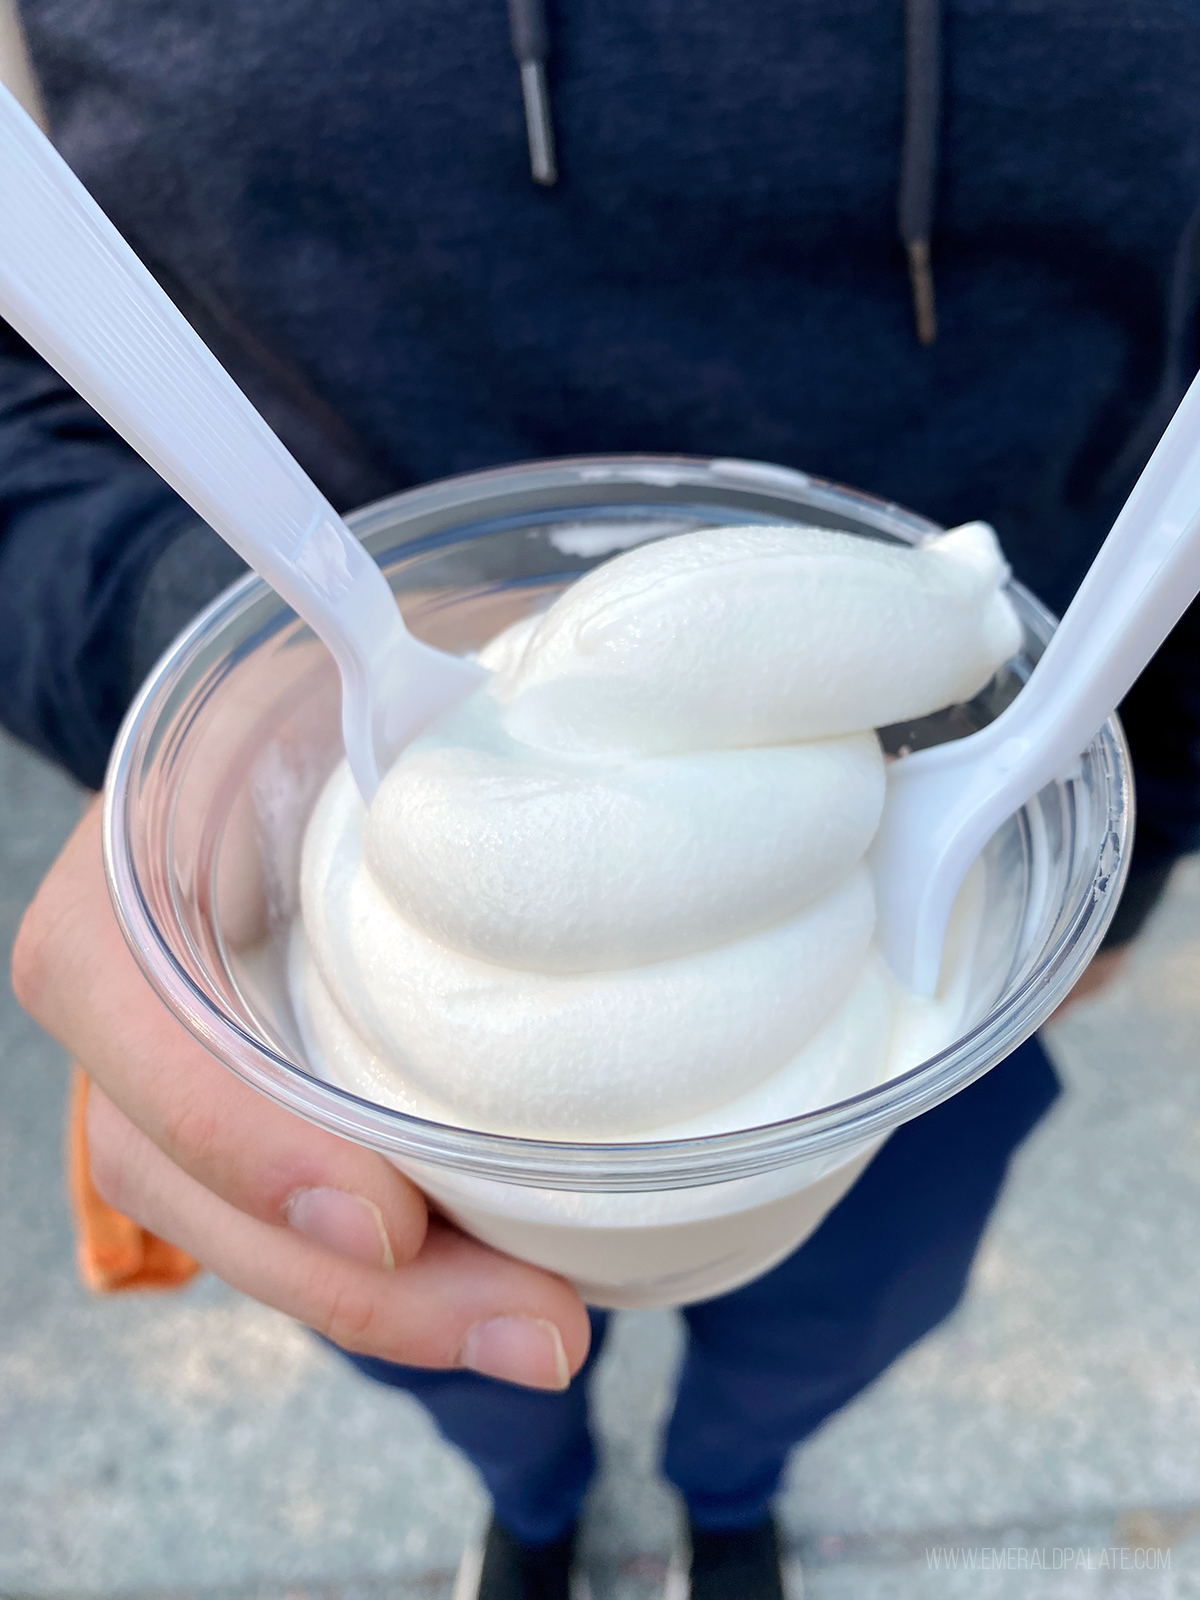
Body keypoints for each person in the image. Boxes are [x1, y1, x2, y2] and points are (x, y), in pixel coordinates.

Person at [5, 3, 1200, 1596]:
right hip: (343, 985)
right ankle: (537, 1501)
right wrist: (205, 677)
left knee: (829, 1327)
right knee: (458, 1348)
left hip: (927, 922)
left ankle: (730, 1492)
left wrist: (1143, 817)